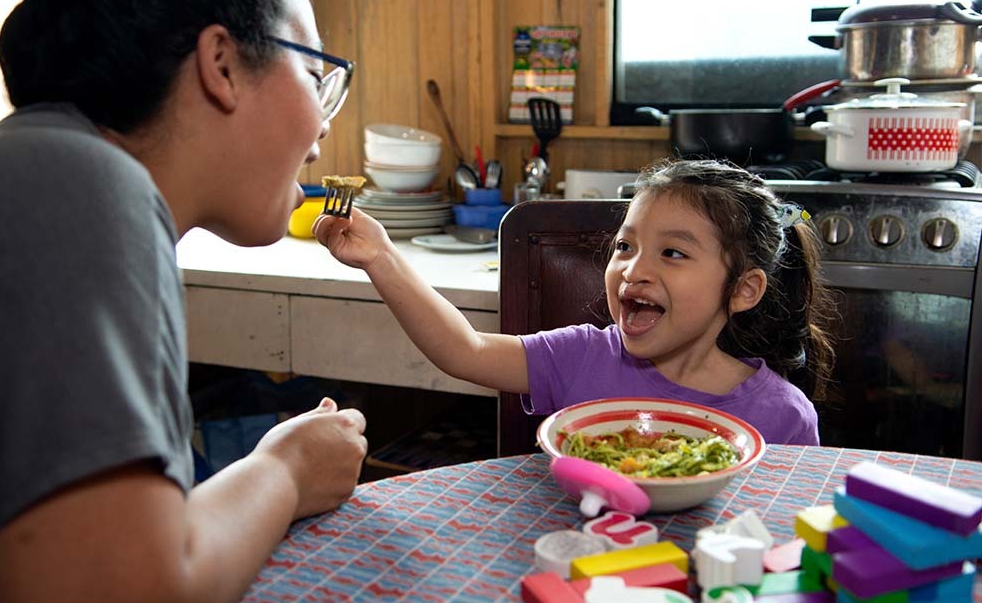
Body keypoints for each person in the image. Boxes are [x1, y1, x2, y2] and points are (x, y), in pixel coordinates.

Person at [0, 0, 367, 603]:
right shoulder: (78, 185)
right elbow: (118, 595)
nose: (323, 125)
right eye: (313, 75)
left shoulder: (53, 168)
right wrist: (285, 470)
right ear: (221, 65)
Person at [316, 159, 836, 445]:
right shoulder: (583, 357)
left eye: (672, 252)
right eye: (625, 247)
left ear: (743, 289)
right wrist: (381, 256)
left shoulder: (784, 418)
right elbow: (465, 351)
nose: (634, 269)